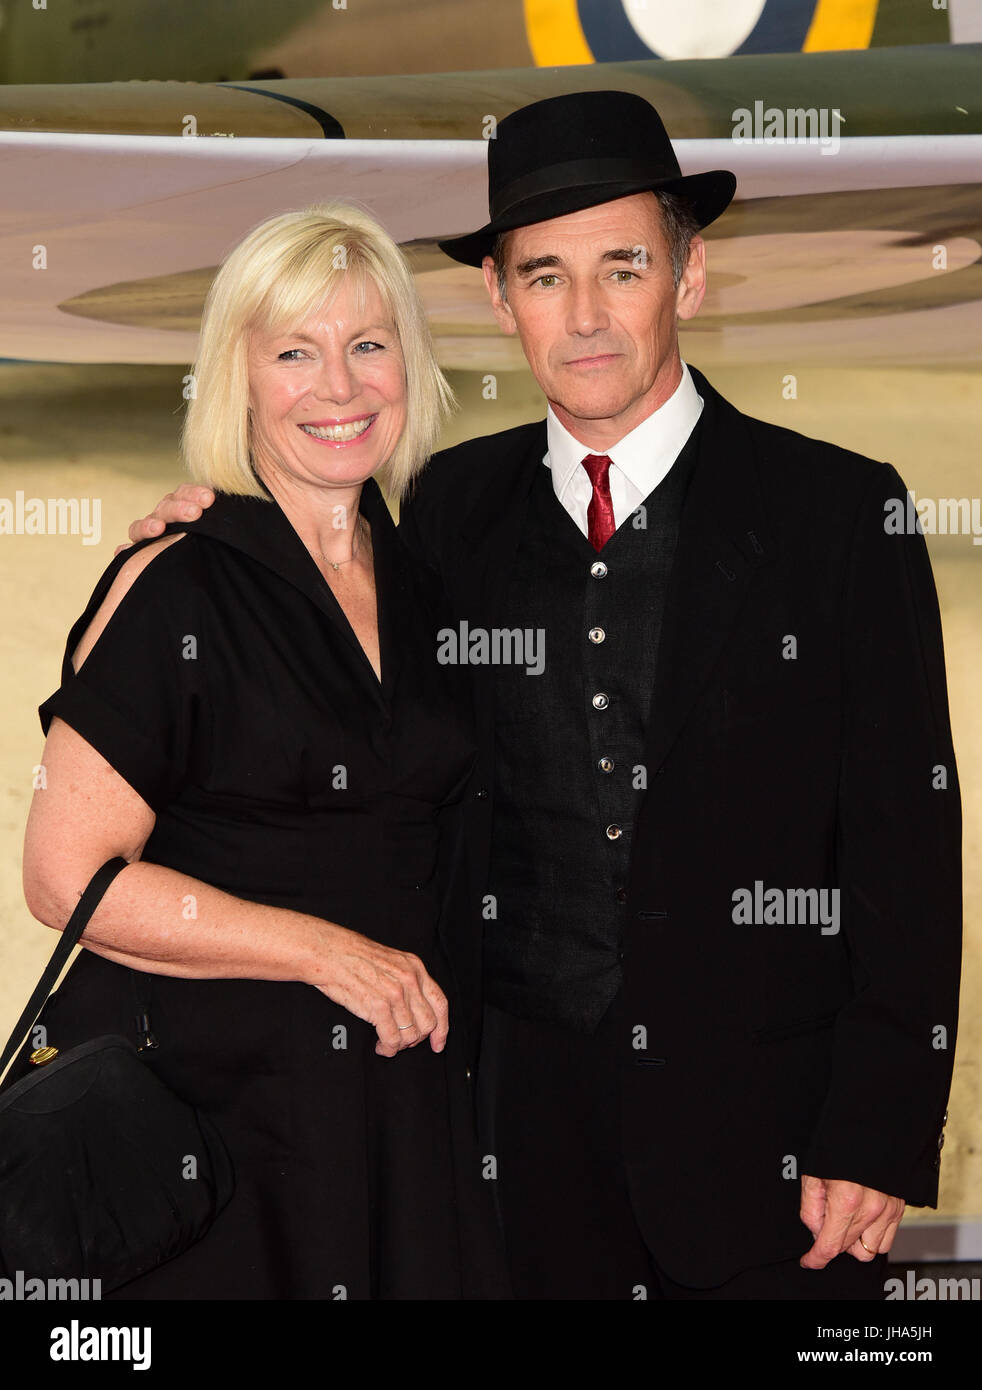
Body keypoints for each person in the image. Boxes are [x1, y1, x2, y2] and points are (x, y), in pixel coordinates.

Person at [128, 91, 962, 1301]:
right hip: (512, 1147)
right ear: (499, 298)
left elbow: (908, 839)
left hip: (776, 1157)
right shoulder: (451, 509)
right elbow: (333, 622)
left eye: (621, 267)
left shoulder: (837, 513)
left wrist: (874, 1129)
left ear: (689, 275)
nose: (582, 317)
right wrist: (209, 534)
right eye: (543, 275)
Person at [21, 200, 508, 1300]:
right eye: (295, 350)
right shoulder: (177, 582)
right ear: (236, 375)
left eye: (368, 344)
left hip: (393, 1126)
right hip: (215, 1141)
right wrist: (321, 952)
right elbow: (66, 880)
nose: (338, 386)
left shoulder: (433, 580)